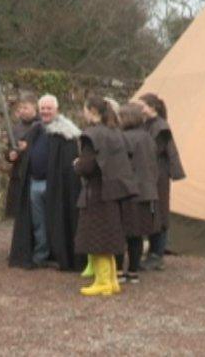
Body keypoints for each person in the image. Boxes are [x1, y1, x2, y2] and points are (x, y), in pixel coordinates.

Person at [8, 94, 83, 271]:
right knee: (38, 222)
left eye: (49, 108)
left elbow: (68, 164)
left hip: (55, 185)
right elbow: (21, 150)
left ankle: (59, 256)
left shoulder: (66, 133)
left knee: (57, 220)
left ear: (56, 110)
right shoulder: (35, 129)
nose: (45, 111)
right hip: (34, 183)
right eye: (43, 108)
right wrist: (15, 154)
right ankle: (40, 255)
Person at [73, 97, 138, 296]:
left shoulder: (92, 135)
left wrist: (77, 164)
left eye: (85, 109)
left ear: (92, 110)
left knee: (97, 239)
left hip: (97, 193)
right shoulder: (116, 133)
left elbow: (88, 166)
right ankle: (111, 281)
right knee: (109, 238)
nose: (83, 113)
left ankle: (102, 282)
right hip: (114, 193)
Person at [136, 93, 186, 271]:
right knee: (153, 213)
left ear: (152, 107)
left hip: (158, 177)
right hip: (151, 176)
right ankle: (153, 253)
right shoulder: (148, 125)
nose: (139, 109)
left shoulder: (160, 127)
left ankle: (157, 254)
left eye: (142, 106)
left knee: (160, 213)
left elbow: (153, 150)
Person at [117, 103, 160, 284]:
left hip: (128, 191)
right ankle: (133, 270)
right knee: (137, 234)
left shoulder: (123, 138)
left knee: (121, 233)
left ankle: (119, 271)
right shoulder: (148, 138)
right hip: (146, 191)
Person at [5, 93, 39, 218]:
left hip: (33, 175)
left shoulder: (41, 126)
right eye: (21, 108)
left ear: (34, 107)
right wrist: (10, 154)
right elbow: (9, 150)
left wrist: (27, 148)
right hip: (18, 175)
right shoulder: (15, 128)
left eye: (26, 108)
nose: (22, 111)